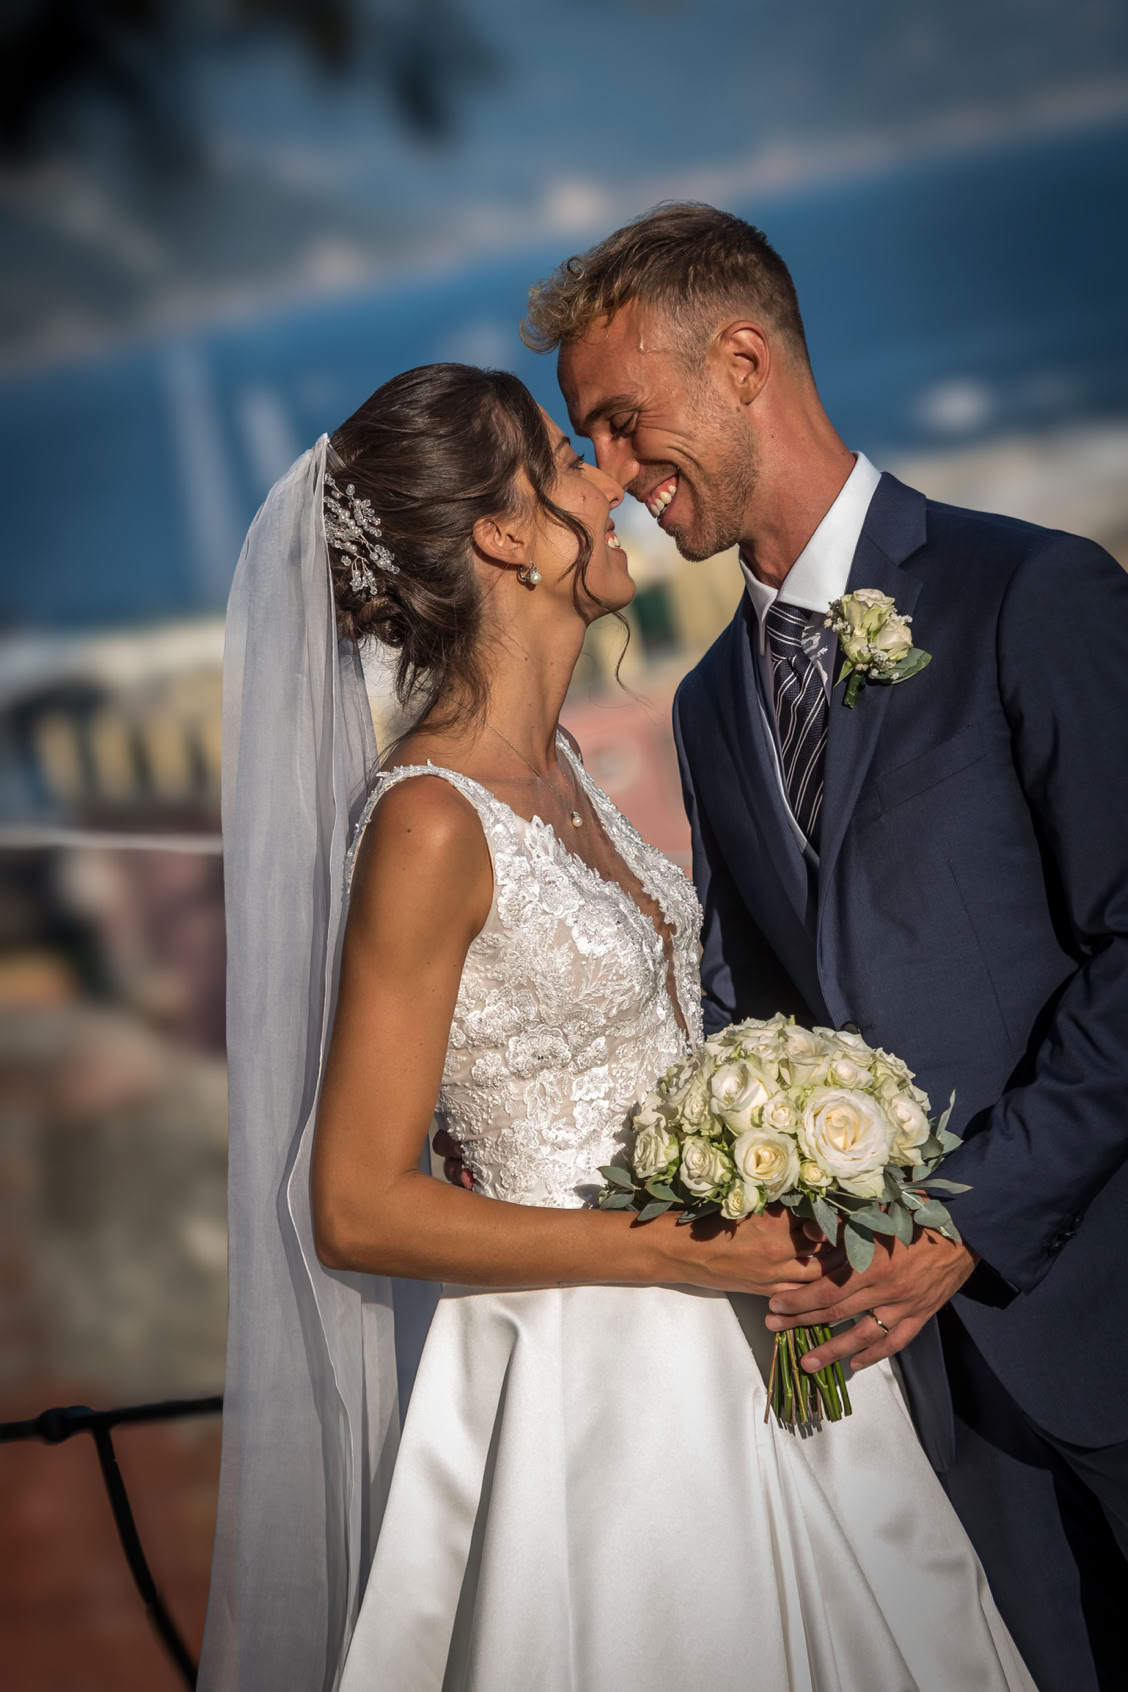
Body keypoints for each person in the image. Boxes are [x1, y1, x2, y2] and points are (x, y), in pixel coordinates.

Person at [202, 360, 1035, 1691]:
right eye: (565, 456)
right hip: (599, 1392)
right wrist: (676, 1253)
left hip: (745, 1333)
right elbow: (353, 1206)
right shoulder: (428, 821)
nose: (613, 477)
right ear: (506, 534)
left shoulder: (565, 765)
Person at [517, 200, 1128, 1692]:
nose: (612, 472)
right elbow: (752, 1006)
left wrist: (964, 1224)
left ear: (741, 359)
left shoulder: (1028, 593)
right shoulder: (708, 704)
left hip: (1097, 1312)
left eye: (620, 420)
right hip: (907, 1391)